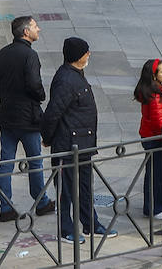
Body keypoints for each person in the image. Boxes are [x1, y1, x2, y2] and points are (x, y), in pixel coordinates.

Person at [41, 38, 110, 243]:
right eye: (86, 52)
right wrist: (48, 137)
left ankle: (90, 223)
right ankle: (66, 228)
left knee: (85, 187)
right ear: (78, 56)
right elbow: (53, 113)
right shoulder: (66, 79)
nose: (89, 55)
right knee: (65, 190)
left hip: (84, 144)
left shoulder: (76, 76)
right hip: (67, 145)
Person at [0, 15, 55, 221]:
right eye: (36, 27)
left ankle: (5, 207)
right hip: (28, 118)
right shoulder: (30, 55)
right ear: (26, 32)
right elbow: (34, 84)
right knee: (35, 162)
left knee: (6, 162)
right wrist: (41, 96)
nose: (40, 30)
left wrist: (9, 96)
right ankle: (41, 202)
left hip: (8, 115)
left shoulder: (2, 53)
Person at [134, 59, 162, 222]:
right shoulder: (155, 94)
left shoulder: (153, 90)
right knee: (159, 173)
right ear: (154, 76)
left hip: (150, 135)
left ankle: (153, 206)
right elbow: (158, 121)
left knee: (155, 171)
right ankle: (156, 208)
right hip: (155, 137)